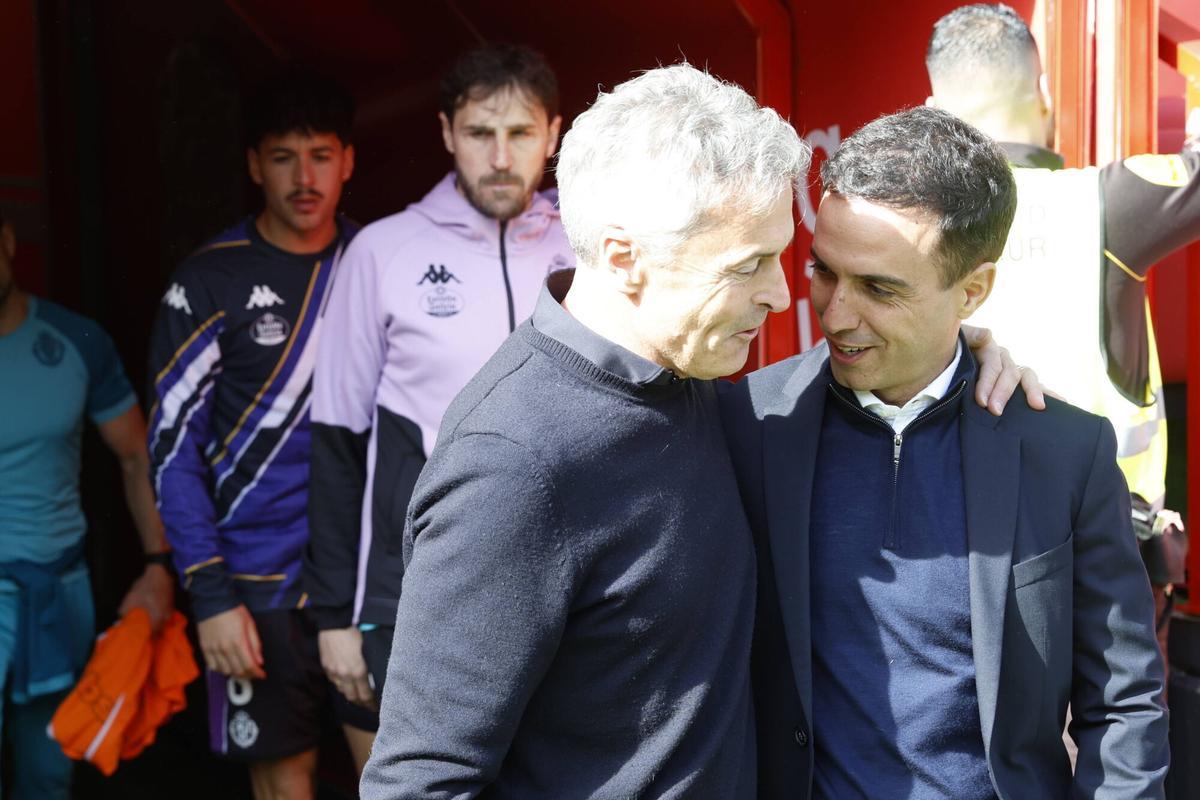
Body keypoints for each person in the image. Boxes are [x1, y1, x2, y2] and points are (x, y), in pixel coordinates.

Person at [360, 65, 1036, 799]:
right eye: (748, 266)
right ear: (625, 258)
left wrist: (956, 350)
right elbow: (419, 781)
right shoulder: (514, 465)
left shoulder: (694, 382)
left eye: (783, 256)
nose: (780, 294)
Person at [722, 106, 1168, 799]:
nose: (834, 313)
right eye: (824, 271)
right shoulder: (749, 425)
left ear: (974, 290)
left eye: (880, 289)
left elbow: (1124, 704)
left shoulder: (1064, 451)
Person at [302, 43, 573, 721]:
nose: (501, 157)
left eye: (520, 133)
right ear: (448, 133)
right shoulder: (383, 252)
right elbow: (336, 443)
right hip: (417, 588)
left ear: (553, 134)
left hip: (569, 582)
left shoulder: (591, 246)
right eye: (481, 133)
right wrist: (335, 614)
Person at [925, 3, 1199, 670]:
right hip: (1104, 571)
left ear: (933, 113)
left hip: (954, 562)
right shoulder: (1103, 204)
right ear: (1043, 93)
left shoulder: (910, 226)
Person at [147, 69, 374, 796]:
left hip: (368, 577)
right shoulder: (207, 282)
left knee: (398, 776)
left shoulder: (380, 264)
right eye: (283, 157)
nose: (305, 178)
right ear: (254, 165)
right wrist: (211, 595)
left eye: (321, 155)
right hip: (255, 586)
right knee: (284, 784)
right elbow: (172, 454)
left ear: (348, 161)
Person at [0, 207, 173, 799]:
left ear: (7, 241)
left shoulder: (75, 340)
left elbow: (135, 457)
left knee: (49, 773)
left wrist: (158, 565)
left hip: (57, 590)